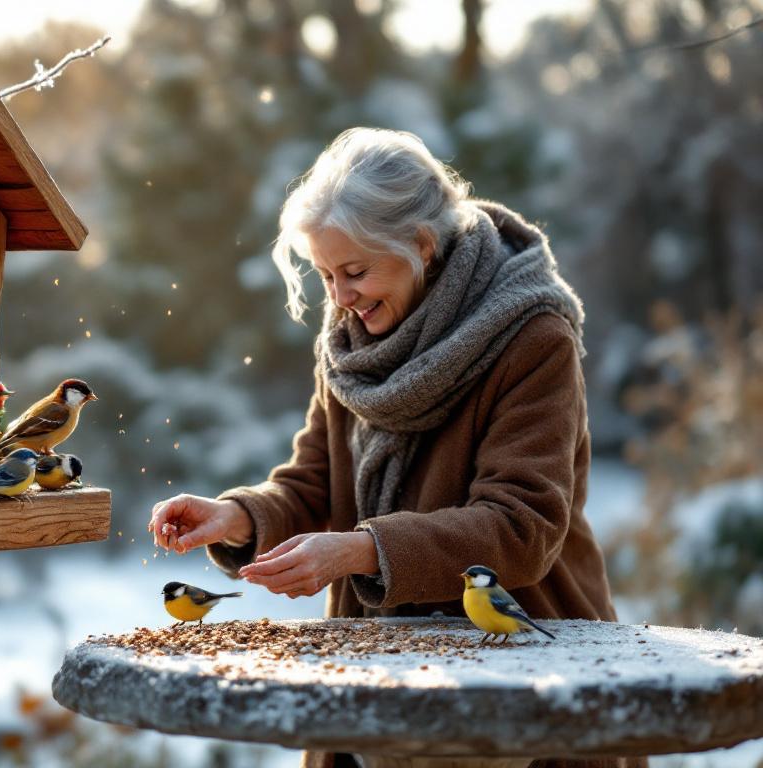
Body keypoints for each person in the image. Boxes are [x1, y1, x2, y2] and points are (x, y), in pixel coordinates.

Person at [148, 127, 638, 768]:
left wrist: (363, 549)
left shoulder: (531, 336)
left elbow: (524, 526)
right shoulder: (350, 345)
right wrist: (239, 516)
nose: (340, 299)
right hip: (371, 675)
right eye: (325, 275)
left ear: (421, 246)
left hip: (524, 681)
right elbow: (316, 480)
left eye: (355, 272)